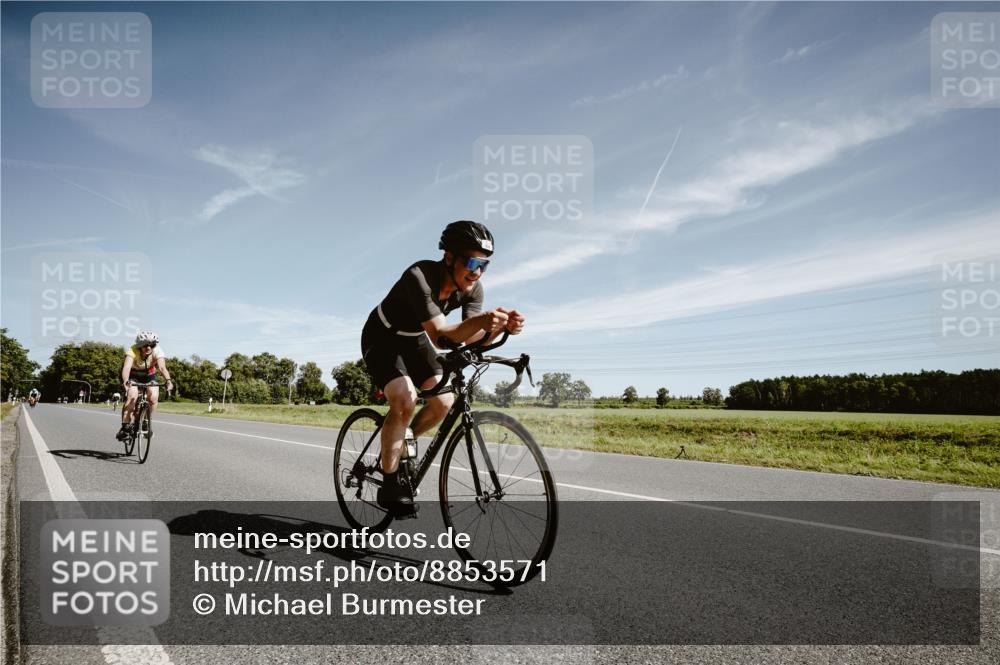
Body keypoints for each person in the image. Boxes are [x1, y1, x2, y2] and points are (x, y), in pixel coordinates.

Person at [361, 221, 525, 516]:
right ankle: (389, 483)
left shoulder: (472, 290)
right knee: (404, 398)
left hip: (414, 340)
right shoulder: (420, 276)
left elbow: (469, 336)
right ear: (449, 257)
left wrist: (500, 330)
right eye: (471, 262)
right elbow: (441, 336)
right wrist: (483, 323)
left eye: (484, 265)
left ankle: (401, 440)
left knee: (444, 402)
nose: (476, 271)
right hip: (382, 337)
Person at [116, 331, 173, 441]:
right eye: (145, 345)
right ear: (139, 346)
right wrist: (125, 382)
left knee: (154, 396)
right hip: (133, 375)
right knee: (132, 396)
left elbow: (162, 368)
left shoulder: (158, 351)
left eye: (151, 345)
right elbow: (126, 367)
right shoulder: (132, 351)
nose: (148, 347)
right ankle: (125, 427)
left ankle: (146, 421)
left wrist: (169, 381)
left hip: (149, 375)